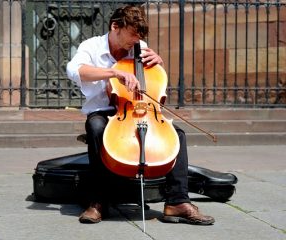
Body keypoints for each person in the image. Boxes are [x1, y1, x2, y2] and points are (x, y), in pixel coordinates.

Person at [66, 5, 215, 225]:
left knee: (178, 135)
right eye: (130, 38)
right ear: (115, 27)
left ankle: (177, 202)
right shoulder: (92, 46)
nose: (134, 44)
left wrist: (159, 64)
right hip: (104, 111)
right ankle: (98, 201)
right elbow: (75, 70)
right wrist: (114, 72)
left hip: (138, 109)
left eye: (138, 39)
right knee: (96, 127)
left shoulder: (139, 46)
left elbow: (154, 82)